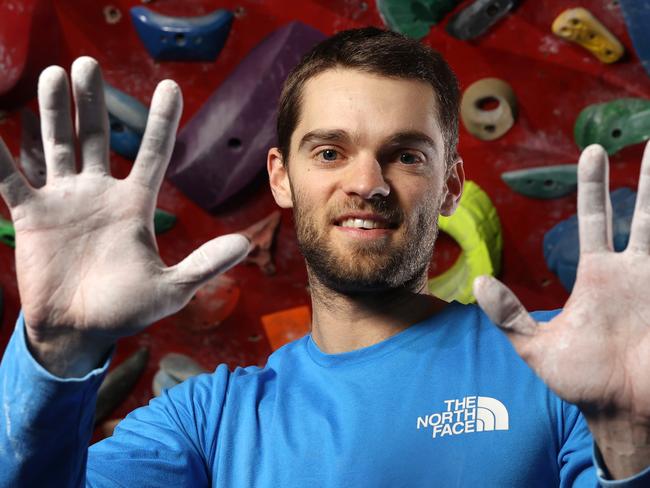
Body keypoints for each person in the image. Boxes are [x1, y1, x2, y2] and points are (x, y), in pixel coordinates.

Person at [0, 27, 649, 487]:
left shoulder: (560, 367)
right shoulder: (207, 425)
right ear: (281, 177)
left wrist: (629, 434)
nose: (367, 183)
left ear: (451, 184)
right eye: (330, 152)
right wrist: (55, 352)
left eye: (405, 155)